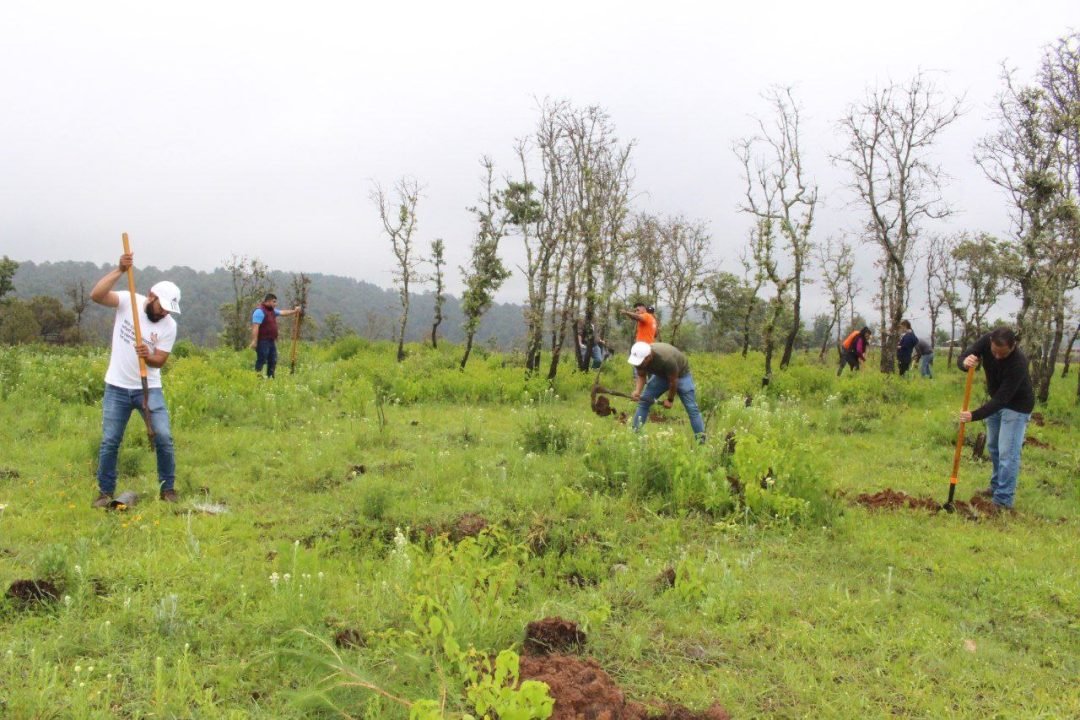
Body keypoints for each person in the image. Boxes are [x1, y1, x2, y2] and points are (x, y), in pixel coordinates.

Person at [89, 253, 182, 507]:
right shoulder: (128, 300)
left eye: (168, 310)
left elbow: (161, 359)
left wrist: (148, 356)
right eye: (161, 306)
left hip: (149, 388)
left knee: (163, 435)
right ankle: (105, 492)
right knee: (110, 440)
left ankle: (168, 488)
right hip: (117, 387)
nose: (163, 313)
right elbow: (96, 295)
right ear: (151, 296)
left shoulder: (169, 325)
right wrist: (119, 269)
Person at [958, 327, 1035, 511]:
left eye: (1003, 354)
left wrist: (974, 415)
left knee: (1008, 452)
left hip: (1016, 406)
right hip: (995, 402)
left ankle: (1003, 500)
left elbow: (1002, 399)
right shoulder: (986, 340)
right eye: (994, 352)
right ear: (991, 342)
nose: (997, 357)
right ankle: (995, 487)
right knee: (993, 447)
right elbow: (964, 357)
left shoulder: (1018, 362)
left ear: (1013, 346)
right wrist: (964, 363)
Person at [627, 341, 705, 442]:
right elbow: (641, 375)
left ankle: (701, 443)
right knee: (643, 403)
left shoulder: (666, 359)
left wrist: (670, 400)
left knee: (692, 409)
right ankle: (635, 437)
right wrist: (637, 391)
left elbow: (673, 382)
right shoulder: (640, 360)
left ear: (649, 357)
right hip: (661, 376)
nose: (639, 365)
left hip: (681, 375)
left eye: (641, 362)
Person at [249, 293, 301, 378]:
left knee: (273, 360)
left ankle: (270, 377)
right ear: (268, 301)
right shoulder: (259, 311)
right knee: (262, 359)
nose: (275, 304)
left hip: (271, 341)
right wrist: (254, 341)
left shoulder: (272, 310)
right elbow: (255, 327)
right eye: (274, 302)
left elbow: (283, 312)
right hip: (262, 341)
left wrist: (294, 311)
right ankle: (257, 377)